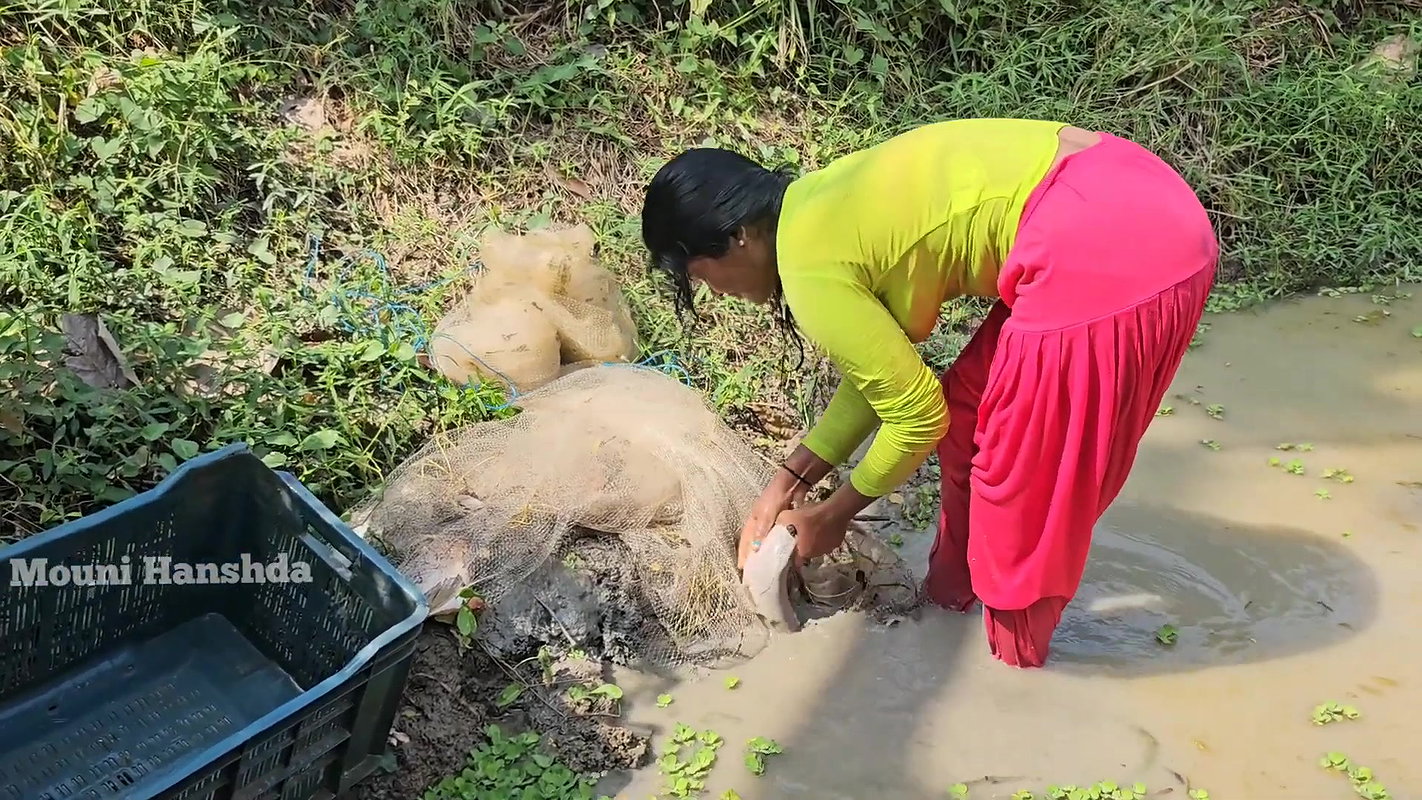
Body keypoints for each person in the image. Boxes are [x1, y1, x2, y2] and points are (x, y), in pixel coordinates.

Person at [639, 118, 1217, 668]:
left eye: (699, 274)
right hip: (1132, 193)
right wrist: (787, 484)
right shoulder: (817, 208)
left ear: (737, 238)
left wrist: (834, 515)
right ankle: (949, 607)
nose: (713, 291)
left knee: (1019, 480)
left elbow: (916, 417)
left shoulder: (809, 270)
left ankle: (1013, 676)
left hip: (1111, 241)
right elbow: (882, 380)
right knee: (971, 417)